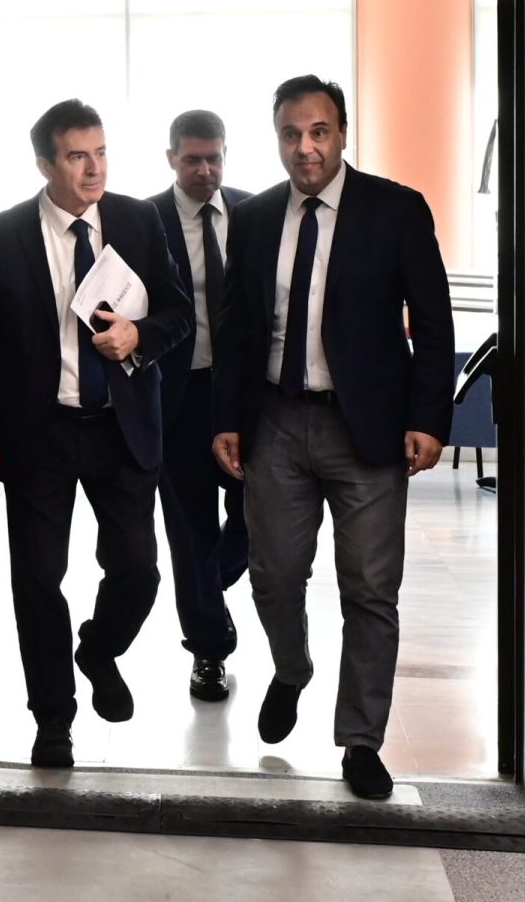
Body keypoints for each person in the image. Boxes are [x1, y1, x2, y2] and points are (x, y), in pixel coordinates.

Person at [211, 75, 453, 801]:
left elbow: (433, 323)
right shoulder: (253, 218)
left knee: (371, 590)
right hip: (277, 421)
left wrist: (428, 417)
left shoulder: (397, 210)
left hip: (367, 428)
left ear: (342, 133)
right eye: (291, 134)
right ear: (277, 139)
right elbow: (235, 328)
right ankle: (292, 669)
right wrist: (228, 418)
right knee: (274, 576)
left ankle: (361, 741)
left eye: (319, 132)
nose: (305, 147)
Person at [0, 99, 191, 768]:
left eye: (102, 152)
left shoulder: (140, 221)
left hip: (122, 428)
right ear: (45, 164)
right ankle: (53, 720)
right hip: (39, 432)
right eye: (77, 156)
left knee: (138, 572)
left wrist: (138, 335)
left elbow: (180, 314)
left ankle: (98, 649)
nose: (94, 169)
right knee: (37, 579)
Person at [151, 110, 251, 703]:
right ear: (171, 158)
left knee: (253, 518)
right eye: (192, 159)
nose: (205, 170)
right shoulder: (143, 222)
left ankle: (207, 585)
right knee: (189, 530)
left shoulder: (254, 213)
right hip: (177, 398)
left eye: (214, 158)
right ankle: (209, 648)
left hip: (244, 396)